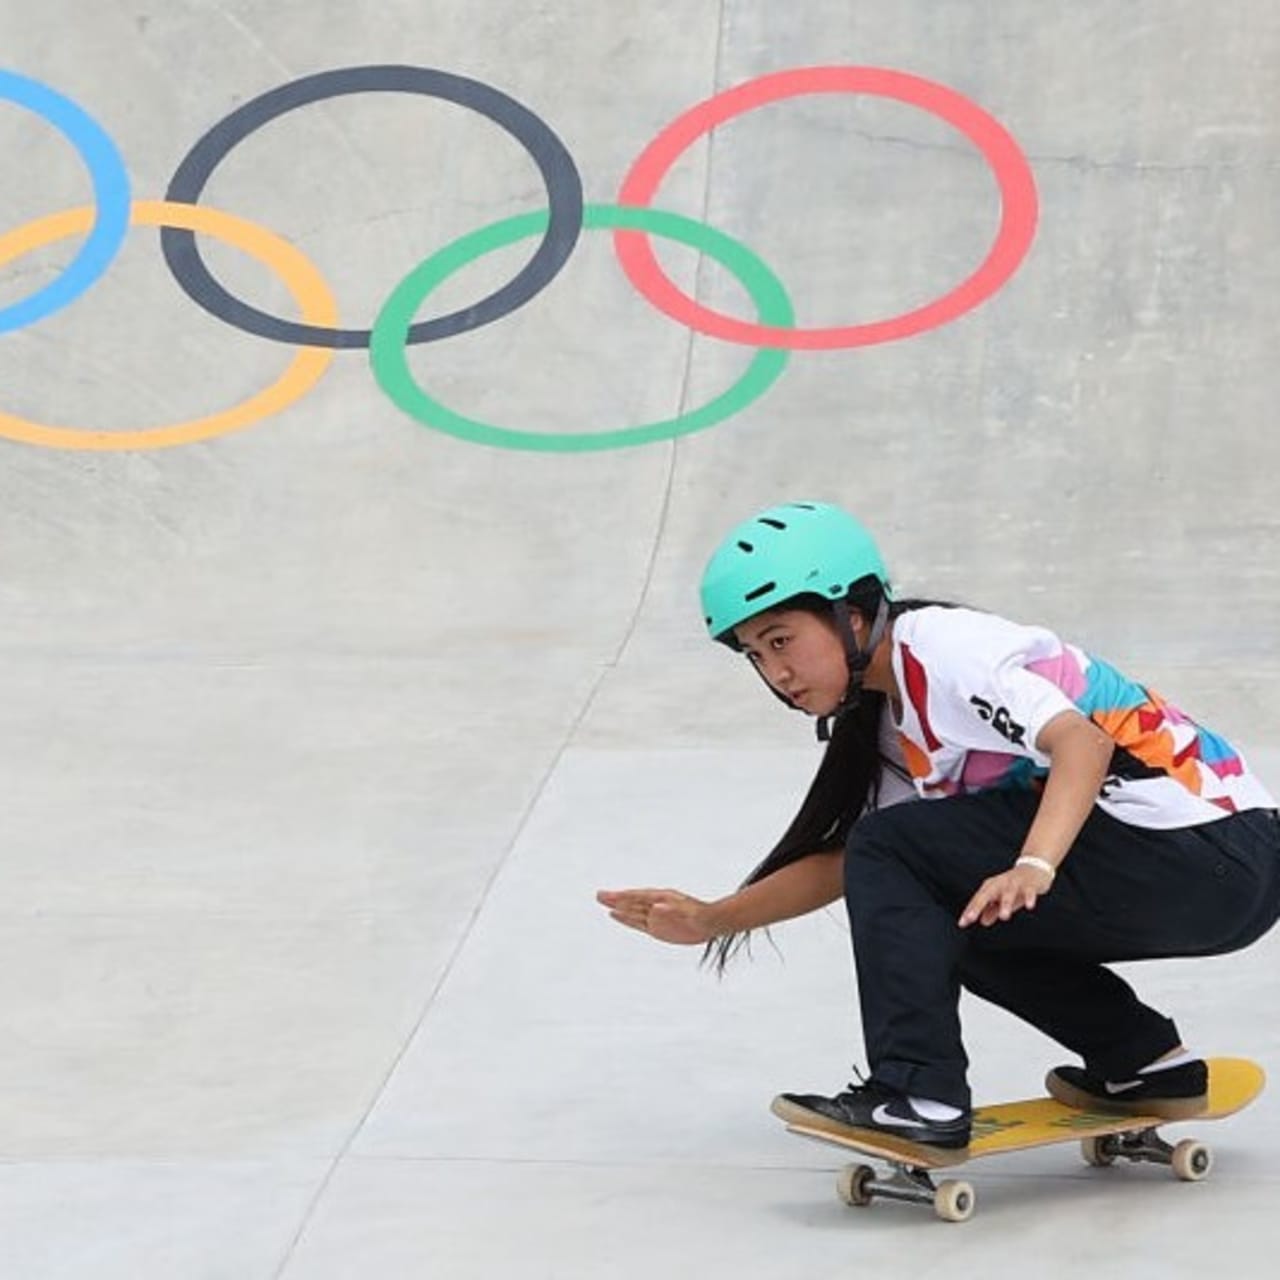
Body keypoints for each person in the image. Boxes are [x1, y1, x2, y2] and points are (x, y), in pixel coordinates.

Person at [596, 501, 1280, 1149]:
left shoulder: (948, 649)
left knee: (927, 868)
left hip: (1217, 849)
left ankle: (918, 1095)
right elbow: (854, 863)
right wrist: (715, 918)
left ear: (853, 614)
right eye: (755, 655)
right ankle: (1145, 1063)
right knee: (941, 907)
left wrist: (1032, 866)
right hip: (1204, 877)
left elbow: (1082, 744)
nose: (776, 672)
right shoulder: (896, 722)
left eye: (782, 641)